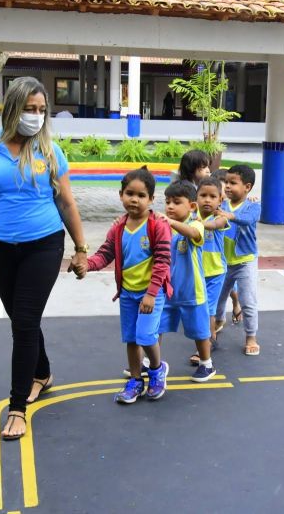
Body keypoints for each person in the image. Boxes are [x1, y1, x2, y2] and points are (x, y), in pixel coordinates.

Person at [0, 76, 88, 441]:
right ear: (13, 109)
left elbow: (66, 201)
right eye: (30, 109)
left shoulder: (50, 151)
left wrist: (81, 248)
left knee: (23, 321)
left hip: (44, 245)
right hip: (3, 248)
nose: (36, 116)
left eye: (41, 110)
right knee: (23, 319)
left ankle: (18, 407)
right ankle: (42, 373)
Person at [83, 166, 173, 403]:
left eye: (141, 195)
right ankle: (135, 380)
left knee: (146, 336)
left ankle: (156, 369)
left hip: (151, 293)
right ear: (120, 194)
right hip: (128, 294)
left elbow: (163, 261)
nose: (135, 199)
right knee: (132, 339)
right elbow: (104, 254)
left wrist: (152, 293)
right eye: (130, 194)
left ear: (152, 199)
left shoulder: (158, 226)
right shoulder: (118, 228)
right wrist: (86, 265)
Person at [156, 181, 216, 382]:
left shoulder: (195, 223)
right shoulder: (163, 227)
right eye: (167, 202)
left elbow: (194, 234)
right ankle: (151, 363)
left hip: (192, 291)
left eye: (176, 202)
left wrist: (171, 223)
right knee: (156, 327)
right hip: (167, 291)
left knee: (200, 331)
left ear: (191, 206)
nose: (170, 206)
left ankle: (206, 364)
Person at [214, 165, 262, 356]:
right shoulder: (222, 204)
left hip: (245, 261)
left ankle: (251, 336)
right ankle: (217, 322)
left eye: (232, 183)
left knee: (248, 300)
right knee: (217, 299)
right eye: (226, 182)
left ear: (247, 187)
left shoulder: (253, 206)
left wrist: (229, 215)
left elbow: (247, 219)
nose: (227, 186)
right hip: (223, 262)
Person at [189, 177, 230, 366]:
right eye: (203, 195)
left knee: (208, 310)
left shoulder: (220, 217)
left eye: (212, 196)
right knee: (200, 309)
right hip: (197, 272)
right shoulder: (192, 215)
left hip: (215, 272)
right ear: (195, 198)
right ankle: (206, 340)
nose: (207, 200)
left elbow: (214, 226)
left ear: (220, 200)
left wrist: (197, 224)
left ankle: (207, 344)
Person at [212, 169, 242, 326]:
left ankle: (236, 303)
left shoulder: (232, 206)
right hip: (217, 252)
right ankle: (219, 318)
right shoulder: (211, 206)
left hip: (230, 252)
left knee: (231, 289)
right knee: (221, 288)